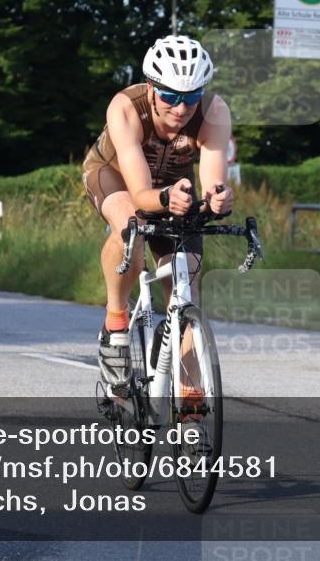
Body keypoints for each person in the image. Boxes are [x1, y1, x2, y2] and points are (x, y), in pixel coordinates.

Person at [82, 35, 233, 397]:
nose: (181, 108)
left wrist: (217, 198)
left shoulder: (215, 112)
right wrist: (164, 198)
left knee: (188, 281)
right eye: (170, 96)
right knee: (129, 229)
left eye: (191, 97)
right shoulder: (126, 107)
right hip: (115, 175)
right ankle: (116, 322)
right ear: (151, 88)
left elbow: (213, 178)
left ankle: (191, 403)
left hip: (172, 187)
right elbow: (140, 195)